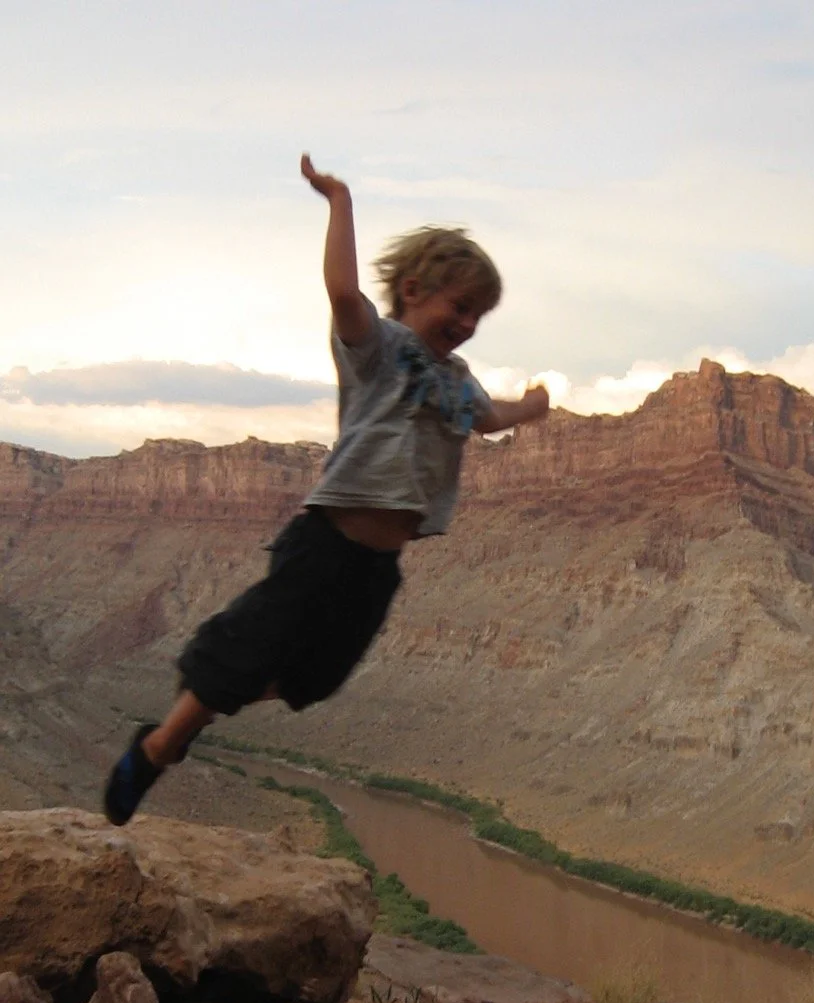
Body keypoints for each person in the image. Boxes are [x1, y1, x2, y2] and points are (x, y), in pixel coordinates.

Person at [103, 154, 550, 825]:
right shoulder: (381, 347)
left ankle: (220, 674)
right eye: (460, 306)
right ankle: (160, 745)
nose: (467, 323)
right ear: (413, 287)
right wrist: (340, 200)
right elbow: (343, 291)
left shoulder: (457, 379)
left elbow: (486, 421)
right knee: (249, 649)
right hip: (324, 545)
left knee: (318, 678)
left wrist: (529, 409)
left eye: (479, 314)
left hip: (378, 566)